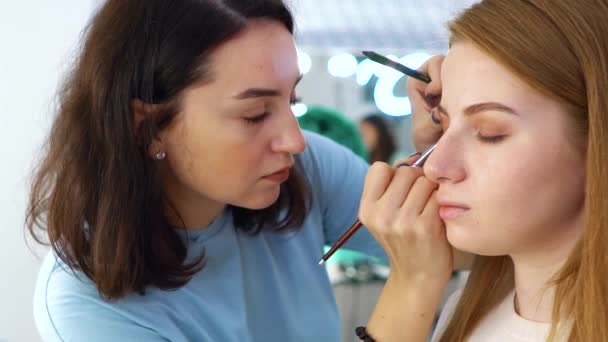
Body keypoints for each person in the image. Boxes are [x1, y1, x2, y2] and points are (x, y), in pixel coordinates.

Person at [26, 1, 390, 341]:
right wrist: (413, 286)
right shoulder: (83, 306)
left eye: (291, 100)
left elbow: (444, 243)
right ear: (148, 129)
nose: (294, 142)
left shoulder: (307, 168)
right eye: (255, 115)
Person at [357, 0, 608, 341]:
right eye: (441, 125)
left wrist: (413, 283)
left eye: (490, 133)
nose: (433, 165)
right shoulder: (465, 313)